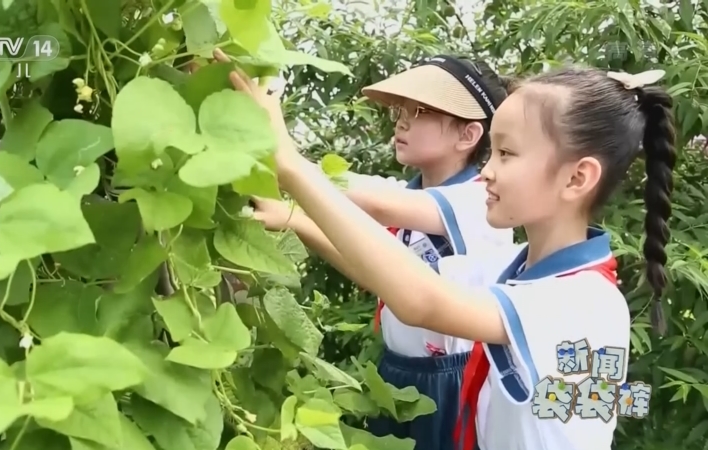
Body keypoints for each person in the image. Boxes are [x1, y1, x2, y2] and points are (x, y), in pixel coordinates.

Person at [223, 50, 674, 450]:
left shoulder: (580, 301)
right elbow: (393, 277)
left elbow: (421, 301)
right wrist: (290, 206)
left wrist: (289, 163)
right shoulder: (527, 278)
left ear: (577, 178)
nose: (489, 173)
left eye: (507, 154)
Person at [252, 55, 515, 450]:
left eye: (421, 111)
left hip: (451, 380)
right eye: (401, 110)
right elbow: (378, 275)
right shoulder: (411, 197)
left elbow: (369, 200)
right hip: (398, 368)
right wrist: (294, 219)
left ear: (468, 135)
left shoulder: (479, 200)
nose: (402, 121)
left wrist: (281, 146)